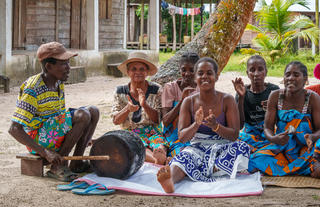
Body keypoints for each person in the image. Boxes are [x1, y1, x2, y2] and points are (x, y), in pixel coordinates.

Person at [8, 42, 99, 181]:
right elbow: (14, 129)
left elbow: (60, 118)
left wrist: (83, 135)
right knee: (83, 115)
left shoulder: (58, 82)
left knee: (94, 110)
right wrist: (45, 152)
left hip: (51, 132)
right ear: (49, 66)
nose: (69, 68)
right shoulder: (32, 89)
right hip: (37, 139)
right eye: (64, 64)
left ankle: (76, 163)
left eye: (68, 63)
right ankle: (57, 166)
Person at [157, 57, 250, 193]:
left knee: (241, 147)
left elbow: (234, 135)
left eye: (209, 73)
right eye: (200, 73)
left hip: (223, 147)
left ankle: (205, 168)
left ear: (216, 77)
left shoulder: (227, 100)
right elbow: (182, 138)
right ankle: (170, 181)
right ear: (195, 77)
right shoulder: (188, 102)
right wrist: (196, 124)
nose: (204, 76)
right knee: (184, 156)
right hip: (197, 148)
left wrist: (215, 126)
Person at [248, 61, 320, 178]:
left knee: (318, 155)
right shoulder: (275, 96)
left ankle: (308, 165)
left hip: (307, 147)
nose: (291, 78)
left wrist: (312, 137)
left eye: (296, 75)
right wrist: (274, 138)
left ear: (305, 79)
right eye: (288, 75)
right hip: (283, 147)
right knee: (255, 160)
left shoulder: (312, 98)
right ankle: (304, 167)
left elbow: (319, 129)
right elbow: (267, 128)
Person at [111, 52, 168, 165]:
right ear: (128, 72)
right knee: (138, 146)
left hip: (153, 132)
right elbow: (116, 121)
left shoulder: (156, 89)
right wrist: (127, 108)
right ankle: (158, 160)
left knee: (159, 144)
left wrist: (145, 105)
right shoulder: (120, 91)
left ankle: (159, 153)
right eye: (134, 69)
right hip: (131, 133)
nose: (138, 72)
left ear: (147, 72)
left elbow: (158, 120)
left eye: (142, 69)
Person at [232, 55, 279, 152]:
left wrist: (272, 108)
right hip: (249, 134)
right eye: (252, 70)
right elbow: (239, 125)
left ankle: (256, 151)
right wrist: (241, 98)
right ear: (247, 73)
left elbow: (281, 117)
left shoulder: (274, 91)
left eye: (260, 69)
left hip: (269, 132)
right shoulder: (242, 92)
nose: (256, 74)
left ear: (266, 72)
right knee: (233, 140)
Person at [161, 52, 199, 157]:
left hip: (196, 136)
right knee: (185, 155)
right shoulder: (170, 88)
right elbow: (166, 121)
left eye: (192, 70)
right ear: (179, 69)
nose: (187, 74)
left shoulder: (202, 89)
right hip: (174, 137)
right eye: (184, 70)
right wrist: (182, 101)